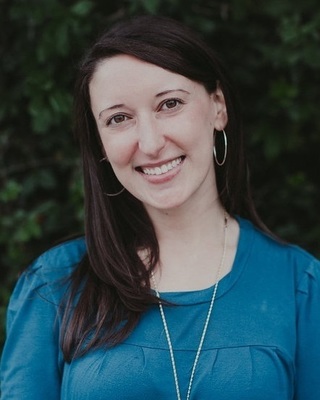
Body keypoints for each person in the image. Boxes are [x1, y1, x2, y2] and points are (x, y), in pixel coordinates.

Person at [1, 14, 319, 400]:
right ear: (100, 142)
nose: (150, 143)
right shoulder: (52, 286)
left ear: (217, 107)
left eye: (169, 104)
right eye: (119, 118)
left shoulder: (301, 285)